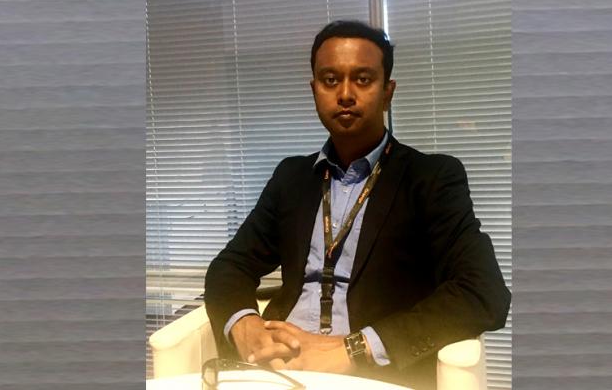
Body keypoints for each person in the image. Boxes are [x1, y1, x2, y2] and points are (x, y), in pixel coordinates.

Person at [205, 20, 510, 389]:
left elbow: (483, 292)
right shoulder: (292, 177)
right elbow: (230, 266)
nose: (345, 94)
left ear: (387, 92)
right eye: (330, 80)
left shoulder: (430, 178)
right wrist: (245, 325)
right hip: (280, 365)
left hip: (371, 373)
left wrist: (355, 348)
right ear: (314, 89)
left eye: (363, 79)